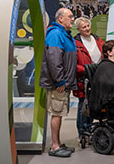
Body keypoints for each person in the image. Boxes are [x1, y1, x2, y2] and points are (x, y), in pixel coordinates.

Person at [40, 8, 77, 158]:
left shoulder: (64, 34)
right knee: (56, 113)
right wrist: (60, 80)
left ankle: (58, 142)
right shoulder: (55, 34)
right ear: (60, 19)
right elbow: (54, 61)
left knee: (60, 113)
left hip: (64, 83)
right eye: (70, 16)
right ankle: (55, 146)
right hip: (59, 84)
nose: (73, 19)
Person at [73, 17, 104, 141]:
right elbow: (73, 64)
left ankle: (91, 129)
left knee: (94, 105)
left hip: (98, 78)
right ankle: (82, 132)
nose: (87, 28)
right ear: (78, 29)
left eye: (88, 26)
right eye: (84, 27)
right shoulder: (75, 43)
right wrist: (85, 69)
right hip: (84, 79)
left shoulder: (97, 39)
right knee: (83, 106)